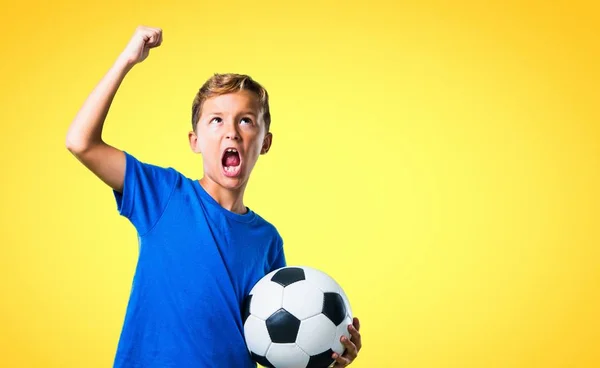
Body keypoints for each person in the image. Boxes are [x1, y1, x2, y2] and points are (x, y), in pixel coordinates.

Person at [65, 25, 362, 368]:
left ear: (264, 142)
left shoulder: (266, 240)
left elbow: (277, 342)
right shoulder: (164, 195)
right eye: (216, 120)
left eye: (246, 121)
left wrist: (326, 352)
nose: (231, 132)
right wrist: (128, 59)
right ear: (195, 140)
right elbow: (80, 142)